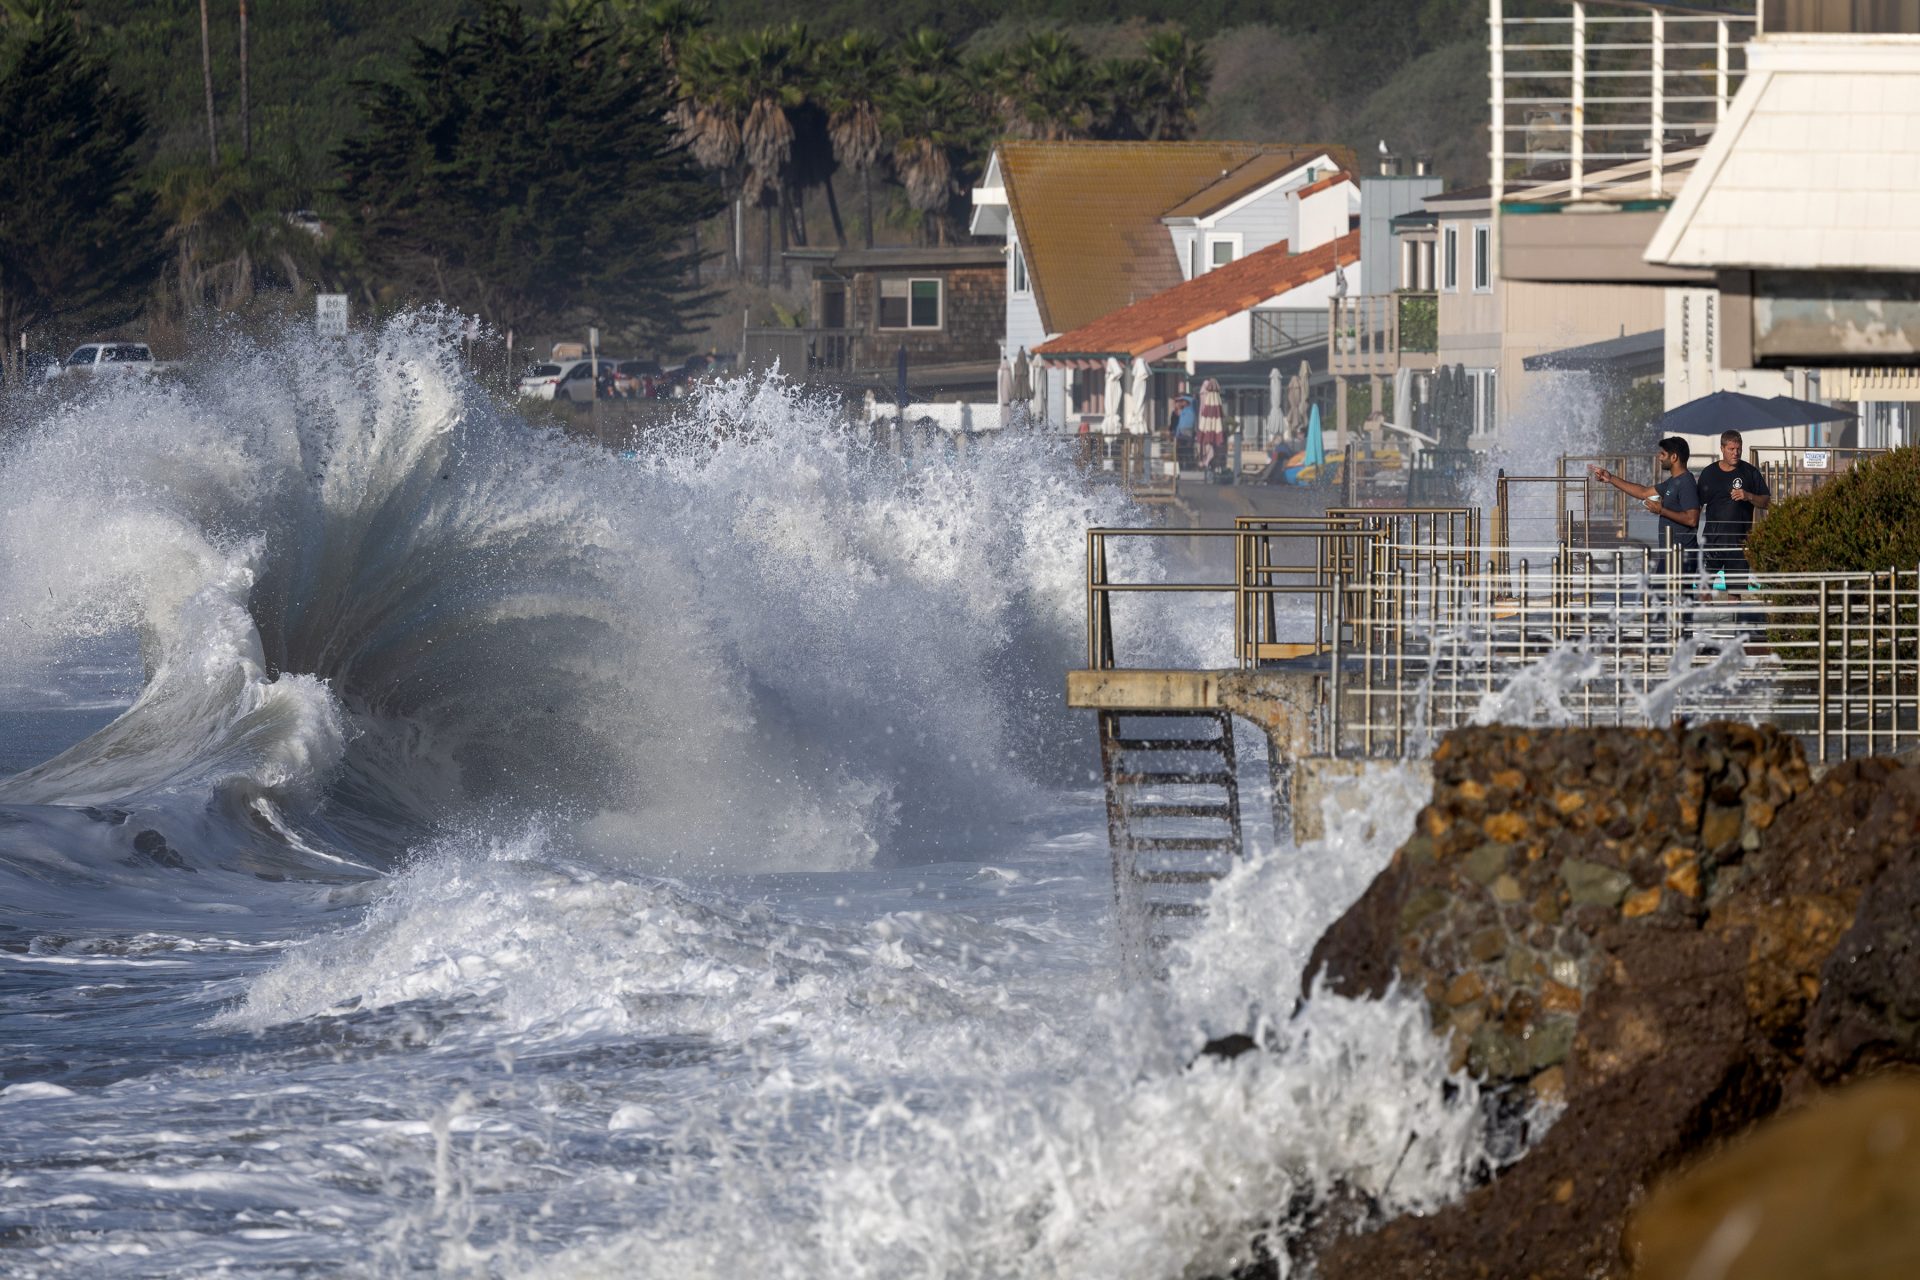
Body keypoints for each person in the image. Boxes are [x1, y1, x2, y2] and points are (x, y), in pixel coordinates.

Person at [1590, 436, 1700, 578]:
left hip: (1682, 555)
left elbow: (1692, 519)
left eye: (1663, 454)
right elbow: (1643, 492)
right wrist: (1611, 478)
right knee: (1663, 597)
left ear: (1674, 457)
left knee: (1669, 597)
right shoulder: (1672, 481)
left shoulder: (1686, 482)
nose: (1659, 457)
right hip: (1670, 554)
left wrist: (1661, 510)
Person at [1693, 430, 1771, 579]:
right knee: (1704, 589)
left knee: (1735, 593)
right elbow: (1697, 506)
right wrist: (1691, 535)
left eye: (1739, 449)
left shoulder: (1750, 472)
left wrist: (1748, 495)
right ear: (1722, 449)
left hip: (1740, 544)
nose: (1736, 453)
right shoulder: (1709, 473)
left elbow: (1766, 502)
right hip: (1712, 542)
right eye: (1731, 449)